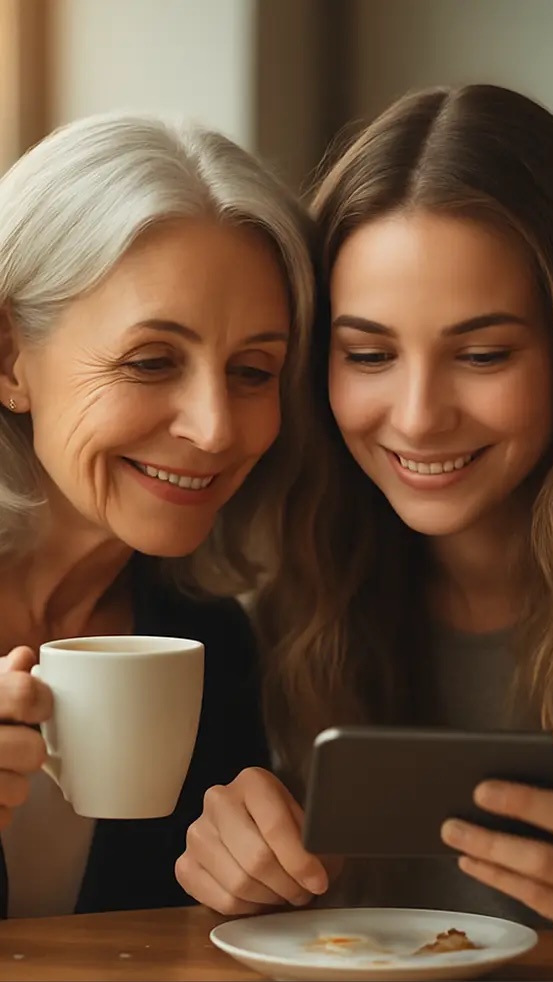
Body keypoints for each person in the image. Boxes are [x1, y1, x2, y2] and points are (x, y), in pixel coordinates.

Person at [177, 84, 553, 947]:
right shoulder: (275, 559)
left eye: (482, 354)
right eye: (367, 353)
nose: (416, 415)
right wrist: (235, 871)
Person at [0, 110, 316, 918]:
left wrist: (254, 887)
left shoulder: (212, 643)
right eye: (151, 362)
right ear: (10, 360)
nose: (215, 429)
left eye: (253, 371)